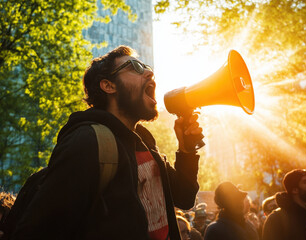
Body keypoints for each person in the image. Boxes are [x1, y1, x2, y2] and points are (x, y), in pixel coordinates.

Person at [12, 45, 203, 239]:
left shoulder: (144, 141)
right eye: (135, 67)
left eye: (145, 66)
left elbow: (184, 197)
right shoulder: (87, 142)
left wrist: (186, 150)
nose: (149, 72)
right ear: (109, 86)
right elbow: (35, 230)